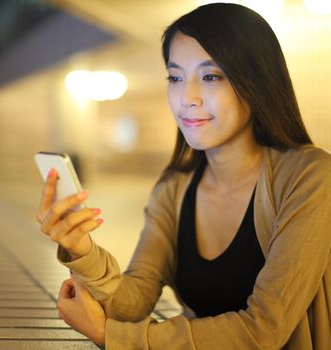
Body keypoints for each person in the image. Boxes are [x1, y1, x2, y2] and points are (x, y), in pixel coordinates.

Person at [36, 3, 331, 349]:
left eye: (210, 76)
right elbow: (133, 301)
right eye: (175, 78)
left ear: (257, 82)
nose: (186, 98)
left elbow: (263, 329)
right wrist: (81, 247)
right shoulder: (174, 188)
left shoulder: (309, 176)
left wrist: (108, 335)